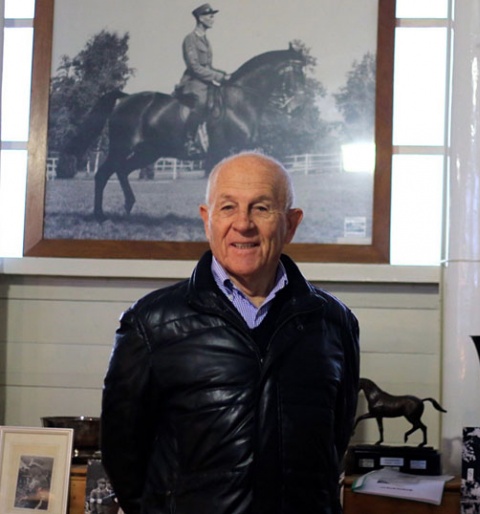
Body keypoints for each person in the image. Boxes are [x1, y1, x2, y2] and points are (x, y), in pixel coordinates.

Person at [101, 150, 361, 514]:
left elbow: (334, 442)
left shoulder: (334, 323)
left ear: (291, 223)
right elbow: (123, 454)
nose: (243, 224)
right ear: (207, 219)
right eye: (227, 208)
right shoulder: (151, 324)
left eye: (261, 208)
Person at [175, 3, 230, 156]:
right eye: (209, 15)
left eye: (213, 15)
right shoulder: (190, 39)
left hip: (206, 81)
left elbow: (208, 66)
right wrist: (218, 76)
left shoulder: (205, 40)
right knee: (201, 103)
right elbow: (194, 67)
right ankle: (189, 141)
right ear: (200, 18)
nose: (213, 18)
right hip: (194, 82)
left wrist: (224, 75)